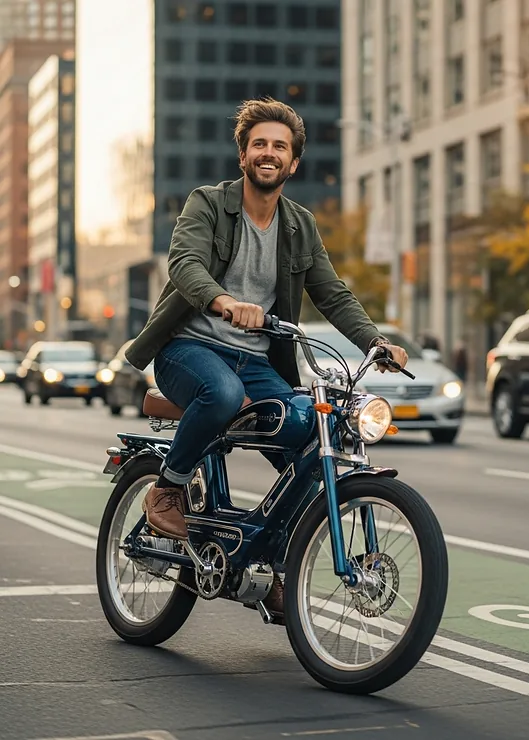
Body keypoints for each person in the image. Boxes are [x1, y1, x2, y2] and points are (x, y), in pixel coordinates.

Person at [125, 98, 408, 612]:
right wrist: (225, 302)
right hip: (189, 348)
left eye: (280, 146)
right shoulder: (207, 203)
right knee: (224, 394)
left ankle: (274, 564)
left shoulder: (300, 224)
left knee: (309, 438)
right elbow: (185, 263)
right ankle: (167, 489)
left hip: (258, 363)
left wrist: (374, 341)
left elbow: (332, 292)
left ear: (293, 162)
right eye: (260, 144)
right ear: (243, 155)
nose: (269, 153)